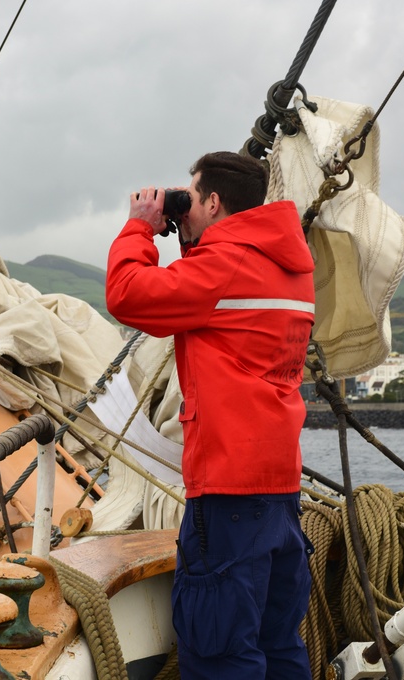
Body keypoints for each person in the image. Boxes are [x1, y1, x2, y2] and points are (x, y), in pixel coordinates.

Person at [105, 151, 316, 678]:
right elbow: (218, 306)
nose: (187, 206)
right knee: (276, 642)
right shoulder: (290, 268)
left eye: (192, 198)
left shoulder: (223, 269)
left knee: (219, 647)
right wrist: (189, 232)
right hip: (280, 488)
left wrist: (140, 229)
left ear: (215, 201)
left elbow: (128, 295)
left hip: (227, 491)